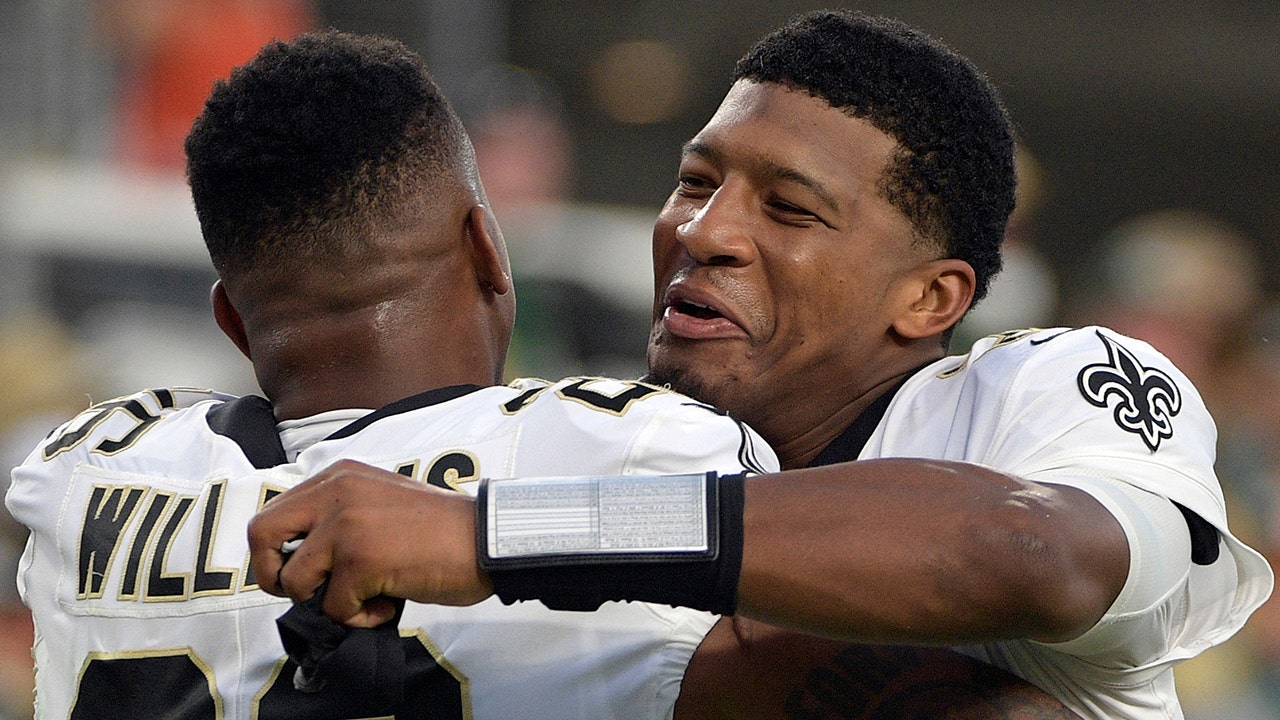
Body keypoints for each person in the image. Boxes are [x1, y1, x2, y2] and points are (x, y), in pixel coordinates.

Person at [5, 28, 1078, 720]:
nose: (706, 235)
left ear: (231, 318)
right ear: (488, 250)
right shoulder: (634, 443)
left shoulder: (81, 469)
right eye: (694, 184)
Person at [247, 11, 1274, 720]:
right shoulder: (600, 437)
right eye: (695, 183)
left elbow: (1030, 554)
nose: (703, 232)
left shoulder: (1031, 389)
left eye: (788, 209)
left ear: (929, 299)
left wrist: (501, 535)